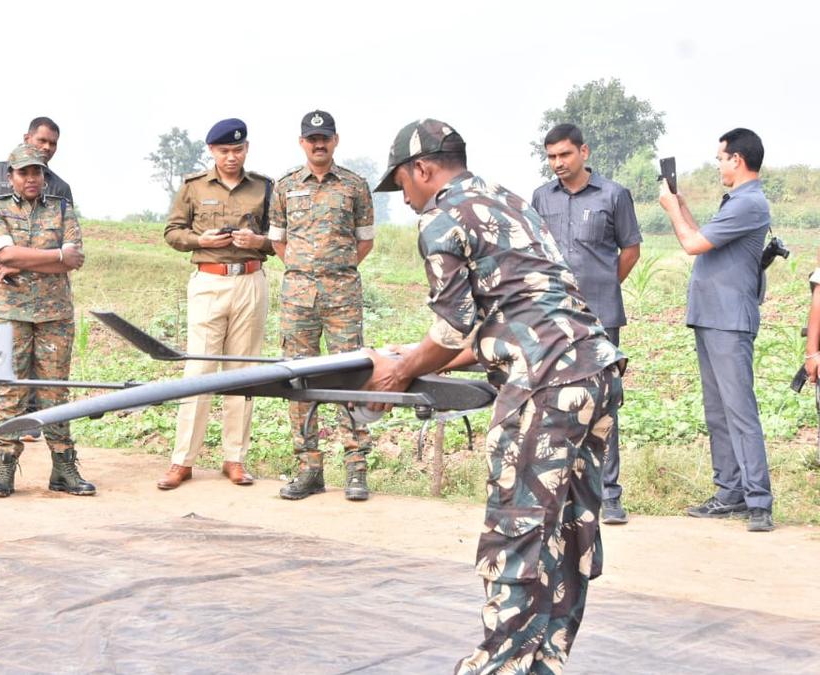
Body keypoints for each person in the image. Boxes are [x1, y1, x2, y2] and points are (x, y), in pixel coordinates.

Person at [365, 118, 624, 673]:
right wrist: (411, 357)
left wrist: (396, 372)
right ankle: (544, 661)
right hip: (595, 369)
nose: (404, 199)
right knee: (568, 530)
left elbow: (454, 328)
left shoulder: (440, 218)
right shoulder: (506, 200)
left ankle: (498, 667)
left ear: (424, 169)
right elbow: (504, 316)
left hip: (547, 383)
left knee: (518, 528)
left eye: (403, 185)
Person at [658, 128, 774, 533]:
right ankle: (730, 493)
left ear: (737, 160)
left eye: (721, 158)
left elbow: (691, 245)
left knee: (739, 412)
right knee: (718, 413)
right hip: (711, 316)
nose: (719, 165)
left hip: (728, 319)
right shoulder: (737, 203)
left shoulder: (750, 203)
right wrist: (683, 206)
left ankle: (758, 501)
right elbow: (704, 237)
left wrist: (670, 209)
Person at [532, 123, 642, 525]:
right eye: (551, 157)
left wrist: (604, 286)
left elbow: (631, 249)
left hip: (600, 317)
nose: (558, 163)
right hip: (552, 317)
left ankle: (609, 494)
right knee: (551, 400)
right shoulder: (542, 197)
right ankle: (556, 491)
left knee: (604, 403)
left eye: (565, 154)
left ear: (584, 152)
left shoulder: (613, 195)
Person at [157, 118, 274, 490]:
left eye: (237, 150)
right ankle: (182, 461)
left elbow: (280, 238)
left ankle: (234, 459)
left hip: (250, 280)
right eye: (224, 151)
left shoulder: (264, 188)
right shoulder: (193, 187)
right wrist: (198, 238)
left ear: (247, 149)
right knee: (199, 371)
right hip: (208, 280)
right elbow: (172, 233)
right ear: (212, 151)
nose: (231, 157)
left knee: (243, 371)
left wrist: (258, 242)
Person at [268, 110, 375, 501]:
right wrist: (305, 271)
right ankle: (309, 468)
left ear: (335, 141)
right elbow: (279, 242)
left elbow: (365, 241)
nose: (319, 144)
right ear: (302, 142)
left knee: (351, 378)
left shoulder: (354, 186)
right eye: (312, 138)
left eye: (325, 138)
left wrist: (335, 271)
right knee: (298, 379)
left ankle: (356, 468)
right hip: (298, 298)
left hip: (342, 296)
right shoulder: (284, 187)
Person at [0, 144, 94, 498]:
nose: (32, 178)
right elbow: (4, 252)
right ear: (10, 176)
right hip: (7, 312)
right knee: (8, 389)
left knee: (54, 389)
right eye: (24, 172)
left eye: (37, 172)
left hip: (53, 313)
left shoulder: (62, 209)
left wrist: (21, 263)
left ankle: (63, 467)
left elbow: (73, 259)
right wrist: (52, 255)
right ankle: (4, 468)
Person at [0, 117, 73, 435]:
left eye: (52, 143)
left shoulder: (60, 189)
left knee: (38, 353)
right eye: (42, 141)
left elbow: (70, 252)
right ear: (27, 138)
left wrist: (21, 263)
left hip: (42, 289)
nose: (46, 148)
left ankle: (30, 418)